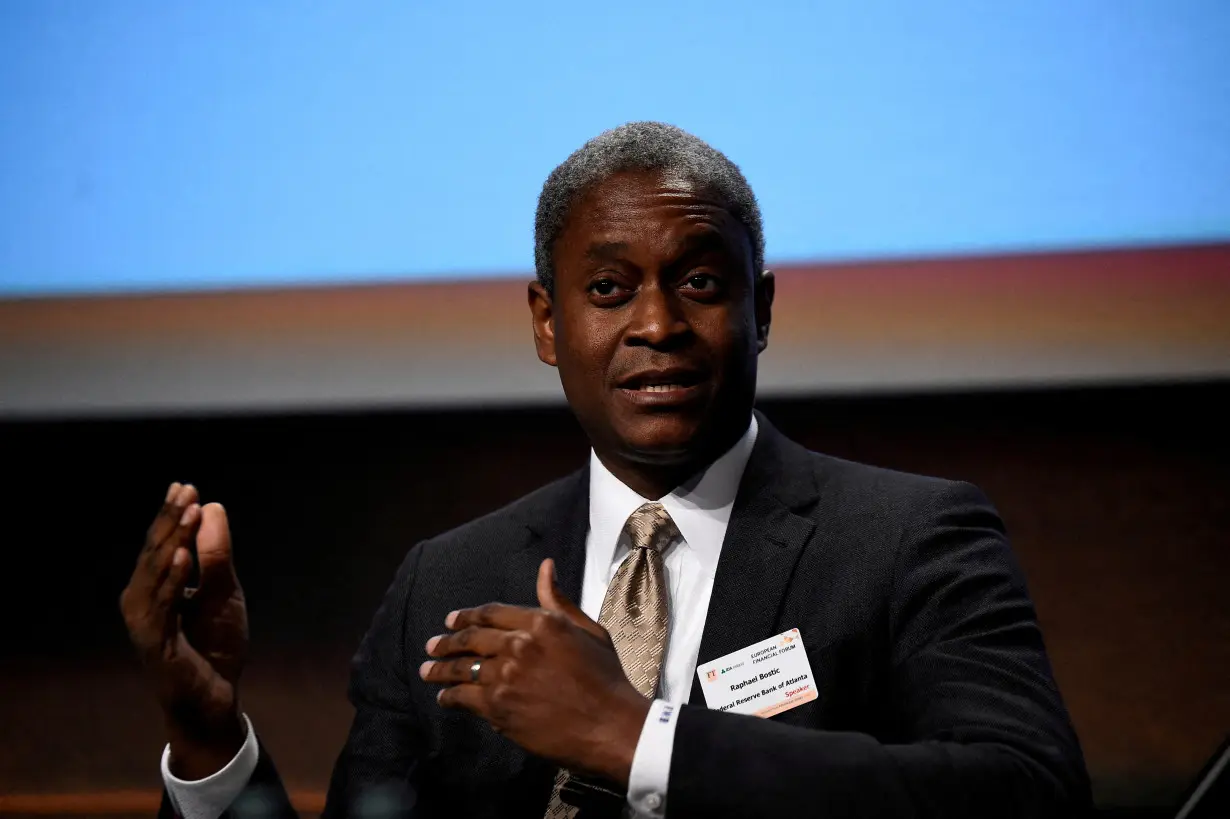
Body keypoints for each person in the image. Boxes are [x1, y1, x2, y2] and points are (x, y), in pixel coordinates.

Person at [120, 122, 1090, 819]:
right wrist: (207, 739)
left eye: (702, 283)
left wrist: (634, 737)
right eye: (609, 289)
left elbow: (1028, 792)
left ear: (762, 309)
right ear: (548, 322)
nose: (658, 326)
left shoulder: (906, 541)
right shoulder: (446, 583)